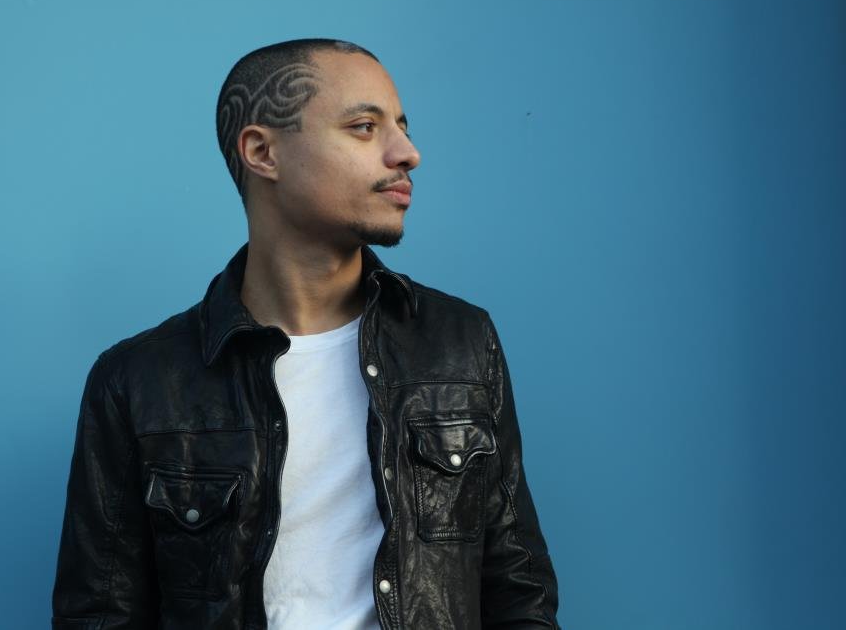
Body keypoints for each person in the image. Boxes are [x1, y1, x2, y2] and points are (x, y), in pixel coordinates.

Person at [51, 38, 560, 630]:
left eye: (402, 127)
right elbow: (99, 615)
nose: (407, 153)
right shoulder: (139, 381)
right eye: (364, 127)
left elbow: (518, 588)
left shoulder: (460, 342)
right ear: (262, 152)